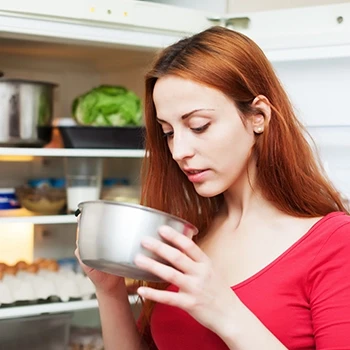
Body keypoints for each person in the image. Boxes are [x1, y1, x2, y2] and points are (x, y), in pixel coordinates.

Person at [76, 26, 350, 349]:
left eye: (198, 126)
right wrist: (109, 291)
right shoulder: (188, 238)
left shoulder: (334, 243)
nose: (178, 151)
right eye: (168, 132)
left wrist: (224, 309)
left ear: (258, 116)